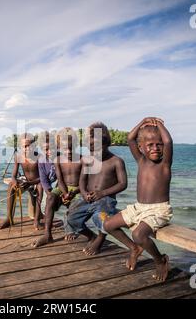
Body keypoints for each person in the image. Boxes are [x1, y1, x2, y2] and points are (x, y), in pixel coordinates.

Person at [103, 117, 173, 282]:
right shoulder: (141, 161)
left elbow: (168, 141)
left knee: (138, 234)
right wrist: (144, 122)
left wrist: (158, 124)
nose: (155, 148)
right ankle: (134, 249)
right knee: (108, 225)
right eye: (150, 145)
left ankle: (160, 260)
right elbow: (130, 138)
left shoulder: (165, 164)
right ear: (141, 147)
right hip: (139, 208)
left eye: (159, 144)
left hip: (158, 210)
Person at [66, 122, 128, 255]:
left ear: (107, 143)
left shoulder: (116, 161)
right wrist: (83, 193)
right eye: (91, 148)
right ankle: (91, 236)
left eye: (98, 148)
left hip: (106, 198)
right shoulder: (88, 160)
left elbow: (123, 184)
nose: (95, 152)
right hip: (88, 197)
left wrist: (103, 193)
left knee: (101, 217)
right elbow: (82, 181)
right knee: (71, 218)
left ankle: (100, 239)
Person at [32, 127, 82, 247]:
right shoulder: (58, 159)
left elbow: (85, 182)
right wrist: (64, 193)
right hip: (62, 187)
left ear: (76, 145)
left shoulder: (82, 159)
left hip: (78, 189)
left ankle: (71, 229)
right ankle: (47, 234)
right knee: (50, 198)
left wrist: (73, 193)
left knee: (75, 203)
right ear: (60, 147)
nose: (68, 151)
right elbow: (60, 179)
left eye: (71, 148)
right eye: (65, 148)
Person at [0, 132, 44, 230]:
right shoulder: (18, 156)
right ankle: (9, 218)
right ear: (20, 146)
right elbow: (14, 175)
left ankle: (36, 220)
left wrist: (31, 183)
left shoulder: (39, 157)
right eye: (24, 146)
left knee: (40, 186)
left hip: (36, 181)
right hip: (26, 180)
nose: (27, 148)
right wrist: (15, 181)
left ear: (34, 145)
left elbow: (43, 177)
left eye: (30, 145)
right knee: (11, 185)